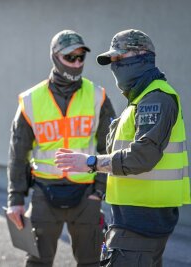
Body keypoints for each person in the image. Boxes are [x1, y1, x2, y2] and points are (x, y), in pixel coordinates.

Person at [55, 29, 190, 267]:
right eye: (112, 61)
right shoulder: (140, 99)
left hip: (141, 223)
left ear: (143, 56)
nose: (114, 65)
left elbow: (142, 157)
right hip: (134, 220)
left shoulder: (156, 98)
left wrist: (91, 163)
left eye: (119, 58)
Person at [7, 30, 116, 267]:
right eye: (70, 57)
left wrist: (99, 192)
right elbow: (18, 152)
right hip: (45, 192)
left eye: (81, 57)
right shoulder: (31, 100)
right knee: (38, 262)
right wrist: (15, 198)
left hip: (86, 195)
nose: (77, 63)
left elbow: (109, 146)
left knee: (91, 263)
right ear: (55, 57)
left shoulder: (98, 96)